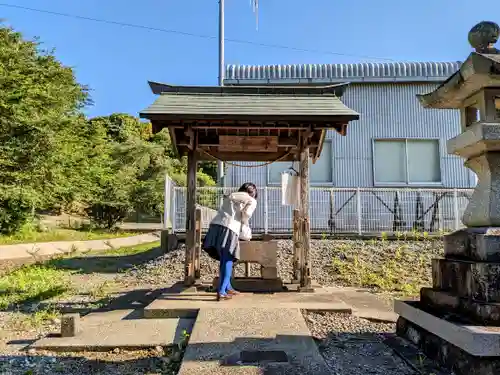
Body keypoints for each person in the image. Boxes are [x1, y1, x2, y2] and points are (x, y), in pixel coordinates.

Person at [202, 182, 258, 301]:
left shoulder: (232, 195)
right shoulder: (251, 200)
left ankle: (228, 287)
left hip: (215, 225)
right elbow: (246, 215)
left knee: (223, 258)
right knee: (228, 259)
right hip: (230, 228)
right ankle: (221, 292)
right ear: (253, 193)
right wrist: (245, 227)